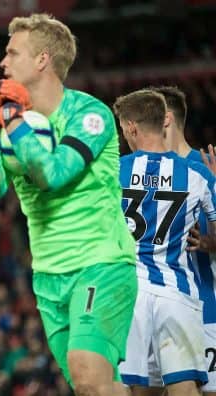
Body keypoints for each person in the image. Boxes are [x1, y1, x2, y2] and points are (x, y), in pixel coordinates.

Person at [0, 12, 137, 395]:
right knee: (93, 386)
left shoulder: (89, 115)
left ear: (42, 59)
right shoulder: (9, 120)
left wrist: (11, 121)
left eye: (13, 53)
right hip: (47, 274)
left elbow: (54, 174)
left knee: (89, 376)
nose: (2, 63)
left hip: (101, 263)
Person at [114, 89, 216, 396]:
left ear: (132, 127)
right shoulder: (197, 174)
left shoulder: (113, 170)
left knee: (134, 389)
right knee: (185, 386)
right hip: (180, 295)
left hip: (130, 295)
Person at [152, 85, 216, 395]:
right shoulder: (142, 171)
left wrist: (210, 243)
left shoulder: (206, 170)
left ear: (165, 119)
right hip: (156, 312)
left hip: (206, 312)